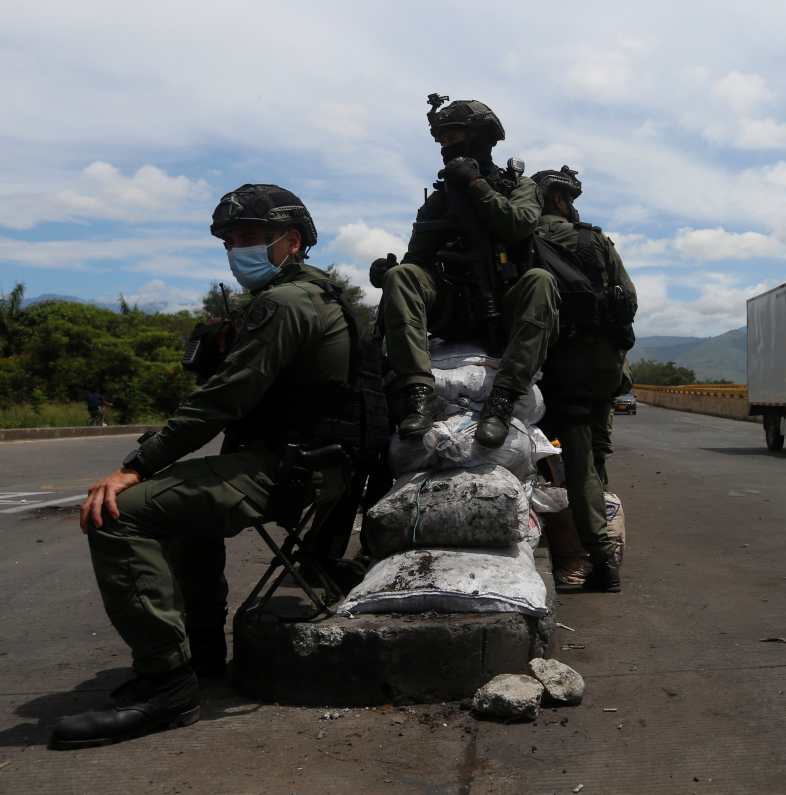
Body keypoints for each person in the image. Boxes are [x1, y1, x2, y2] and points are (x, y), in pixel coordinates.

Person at [50, 184, 356, 750]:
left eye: (248, 239)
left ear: (290, 243)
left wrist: (137, 464)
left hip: (288, 470)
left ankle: (167, 686)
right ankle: (202, 656)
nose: (236, 249)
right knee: (181, 510)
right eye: (229, 241)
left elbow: (223, 399)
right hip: (302, 462)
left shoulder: (286, 304)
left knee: (119, 514)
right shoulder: (309, 296)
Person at [371, 95, 559, 448]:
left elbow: (518, 224)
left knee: (541, 282)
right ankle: (419, 394)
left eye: (454, 136)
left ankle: (502, 400)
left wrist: (477, 186)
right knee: (401, 277)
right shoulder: (440, 198)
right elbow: (417, 260)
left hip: (503, 306)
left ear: (481, 137)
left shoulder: (520, 186)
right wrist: (388, 272)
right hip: (452, 307)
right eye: (442, 140)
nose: (447, 146)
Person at [530, 165, 636, 592]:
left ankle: (595, 559)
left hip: (558, 368)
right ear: (561, 199)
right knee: (590, 461)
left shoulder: (529, 241)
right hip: (602, 369)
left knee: (567, 464)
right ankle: (595, 554)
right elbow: (628, 302)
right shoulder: (595, 240)